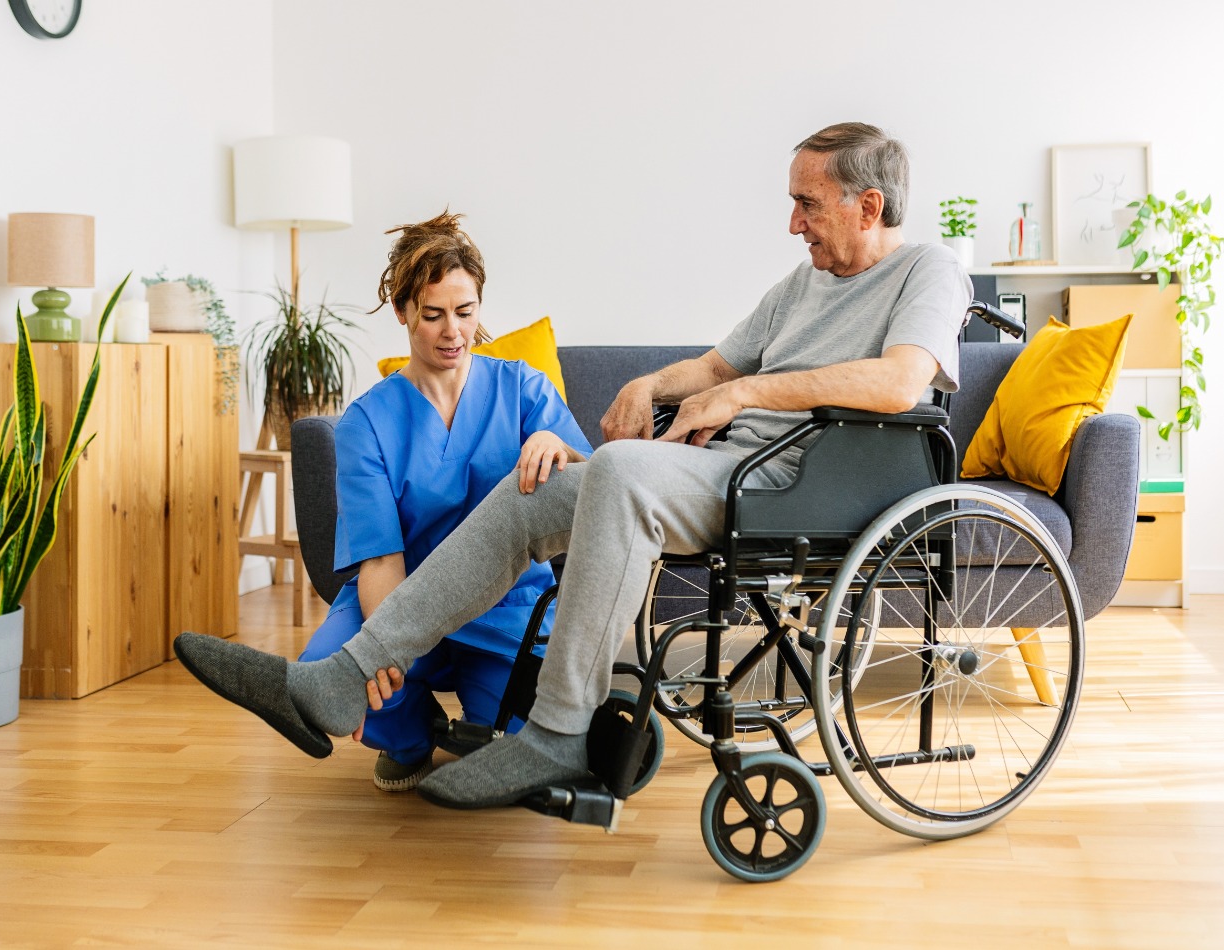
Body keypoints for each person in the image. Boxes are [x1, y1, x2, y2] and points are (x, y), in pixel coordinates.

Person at [175, 122, 973, 810]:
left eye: (807, 203)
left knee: (621, 472)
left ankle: (558, 729)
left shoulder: (926, 271)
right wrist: (650, 383)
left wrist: (748, 396)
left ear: (867, 205)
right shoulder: (800, 284)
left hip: (801, 482)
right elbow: (717, 365)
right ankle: (342, 677)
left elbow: (902, 380)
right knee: (535, 489)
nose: (792, 221)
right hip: (733, 471)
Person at [270, 212, 591, 791]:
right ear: (403, 314)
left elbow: (593, 485)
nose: (453, 332)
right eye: (433, 315)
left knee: (521, 747)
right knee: (336, 677)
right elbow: (379, 560)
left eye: (465, 313)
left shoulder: (522, 388)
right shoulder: (367, 422)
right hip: (404, 596)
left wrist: (556, 441)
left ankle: (479, 716)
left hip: (505, 604)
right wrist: (388, 648)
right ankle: (409, 734)